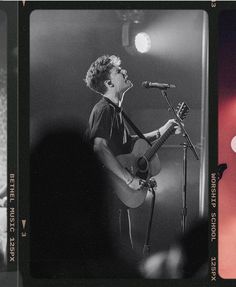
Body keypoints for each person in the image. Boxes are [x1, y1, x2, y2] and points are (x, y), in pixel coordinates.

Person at [85, 55, 181, 250]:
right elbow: (99, 147)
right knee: (117, 249)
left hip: (117, 192)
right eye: (119, 72)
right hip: (110, 191)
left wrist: (161, 131)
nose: (125, 72)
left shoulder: (116, 111)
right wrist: (128, 178)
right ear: (109, 83)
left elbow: (130, 143)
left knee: (124, 247)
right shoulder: (103, 109)